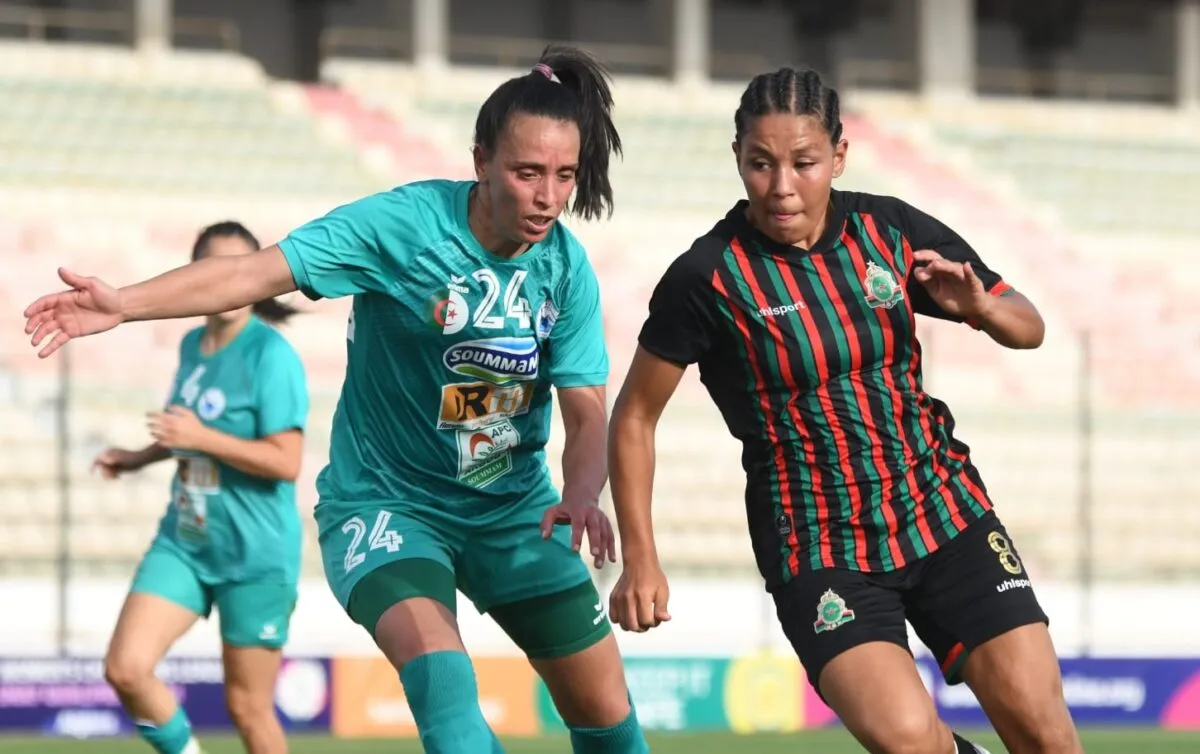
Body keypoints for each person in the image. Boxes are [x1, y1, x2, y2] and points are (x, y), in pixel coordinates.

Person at [27, 45, 648, 754]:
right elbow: (256, 274)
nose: (546, 196)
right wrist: (125, 303)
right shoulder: (403, 227)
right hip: (389, 508)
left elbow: (587, 410)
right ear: (481, 161)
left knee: (606, 715)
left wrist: (580, 490)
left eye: (563, 177)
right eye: (526, 172)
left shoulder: (566, 271)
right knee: (446, 693)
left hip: (512, 512)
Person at [606, 67, 1083, 754]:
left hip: (942, 511)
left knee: (1046, 734)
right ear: (737, 158)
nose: (780, 186)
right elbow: (635, 417)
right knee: (909, 740)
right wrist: (641, 559)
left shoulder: (887, 229)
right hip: (819, 544)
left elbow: (1027, 324)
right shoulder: (706, 277)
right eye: (759, 163)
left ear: (838, 156)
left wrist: (980, 309)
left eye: (803, 163)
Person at [94, 221, 309, 754]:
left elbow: (287, 462)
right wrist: (138, 457)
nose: (233, 283)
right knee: (126, 668)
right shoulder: (193, 343)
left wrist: (200, 437)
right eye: (219, 270)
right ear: (196, 276)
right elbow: (184, 433)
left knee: (247, 708)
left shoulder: (271, 356)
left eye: (243, 271)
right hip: (186, 542)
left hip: (254, 554)